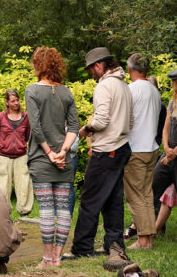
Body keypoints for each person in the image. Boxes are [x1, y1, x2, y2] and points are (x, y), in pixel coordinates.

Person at [70, 47, 133, 272]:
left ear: (99, 66)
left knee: (90, 200)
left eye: (91, 70)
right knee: (113, 199)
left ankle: (82, 247)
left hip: (106, 150)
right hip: (122, 147)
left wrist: (87, 128)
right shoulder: (124, 85)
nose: (91, 74)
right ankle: (113, 244)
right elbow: (131, 120)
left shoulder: (105, 86)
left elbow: (102, 120)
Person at [25, 47, 79, 267]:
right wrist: (64, 151)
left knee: (46, 209)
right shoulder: (66, 92)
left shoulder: (32, 91)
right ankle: (58, 258)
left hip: (42, 158)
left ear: (38, 65)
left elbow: (36, 128)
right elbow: (74, 126)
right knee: (63, 209)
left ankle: (47, 258)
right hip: (64, 160)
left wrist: (50, 153)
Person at [124, 53, 161, 249]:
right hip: (152, 148)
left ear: (130, 69)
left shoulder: (131, 89)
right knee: (146, 194)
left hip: (136, 149)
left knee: (135, 196)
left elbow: (124, 119)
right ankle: (149, 237)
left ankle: (143, 240)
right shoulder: (154, 91)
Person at [0, 89, 33, 215]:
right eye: (13, 101)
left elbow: (27, 135)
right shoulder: (0, 117)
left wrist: (20, 145)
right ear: (7, 102)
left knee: (24, 184)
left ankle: (24, 210)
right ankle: (3, 210)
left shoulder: (26, 117)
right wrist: (3, 144)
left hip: (21, 156)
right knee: (2, 186)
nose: (16, 103)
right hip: (4, 156)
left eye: (17, 100)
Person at [151, 69, 177, 236]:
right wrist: (166, 148)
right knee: (156, 180)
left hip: (175, 153)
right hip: (170, 151)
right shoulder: (172, 102)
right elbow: (166, 127)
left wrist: (174, 152)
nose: (173, 85)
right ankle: (154, 229)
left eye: (174, 82)